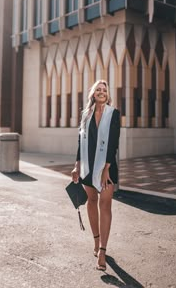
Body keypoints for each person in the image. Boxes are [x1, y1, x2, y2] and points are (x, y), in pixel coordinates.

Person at [71, 80, 120, 271]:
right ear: (93, 94)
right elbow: (79, 142)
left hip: (106, 167)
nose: (101, 92)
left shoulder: (113, 113)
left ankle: (102, 250)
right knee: (91, 201)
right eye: (98, 90)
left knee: (105, 204)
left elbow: (114, 142)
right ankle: (96, 240)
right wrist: (76, 166)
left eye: (104, 90)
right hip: (87, 167)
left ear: (108, 95)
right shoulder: (86, 114)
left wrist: (107, 167)